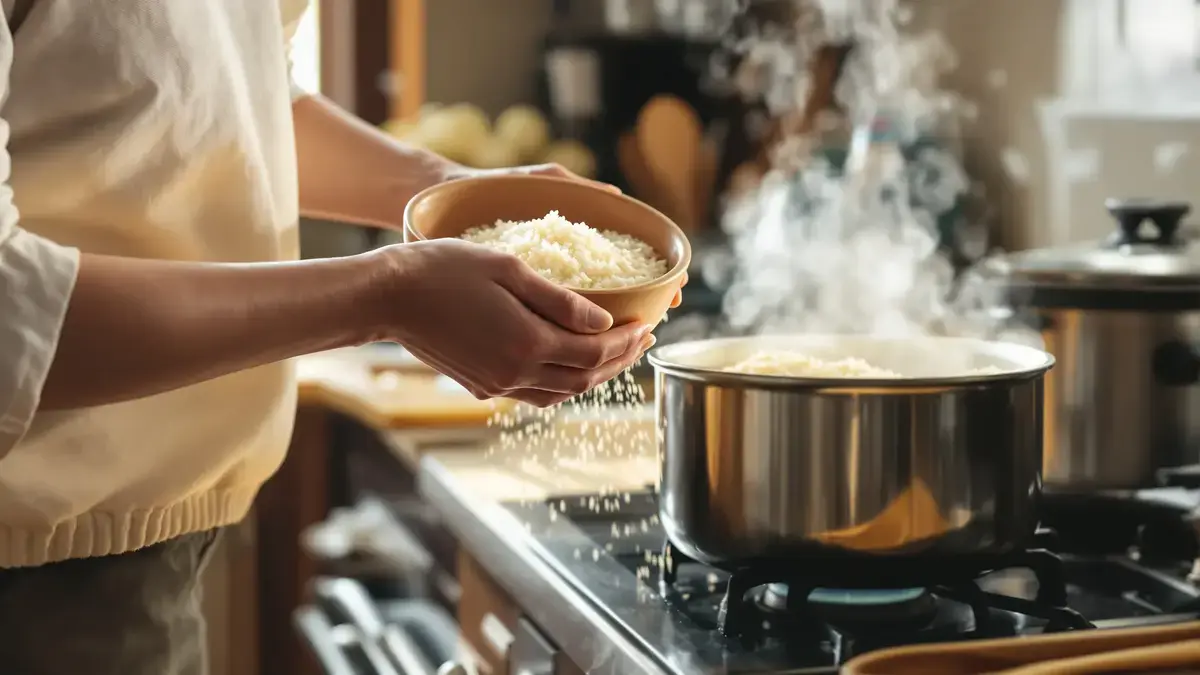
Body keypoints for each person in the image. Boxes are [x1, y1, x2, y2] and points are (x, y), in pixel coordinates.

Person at [0, 2, 683, 674]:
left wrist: (448, 191)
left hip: (150, 545)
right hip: (29, 579)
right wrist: (384, 295)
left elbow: (228, 100)